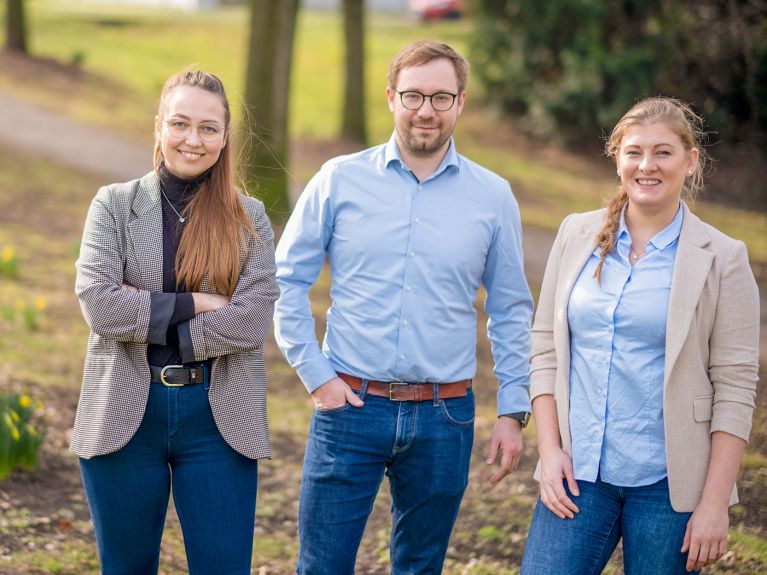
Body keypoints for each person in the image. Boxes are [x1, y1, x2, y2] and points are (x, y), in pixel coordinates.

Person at [274, 40, 533, 574]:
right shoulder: (338, 180)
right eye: (414, 95)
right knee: (321, 566)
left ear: (460, 103)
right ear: (391, 97)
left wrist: (513, 408)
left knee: (421, 567)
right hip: (348, 405)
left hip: (445, 415)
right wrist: (316, 375)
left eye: (441, 97)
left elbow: (510, 308)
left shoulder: (493, 196)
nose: (426, 111)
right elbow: (284, 282)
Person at [520, 97, 760, 575]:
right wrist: (549, 453)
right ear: (616, 157)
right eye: (634, 152)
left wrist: (713, 504)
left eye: (663, 152)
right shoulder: (575, 235)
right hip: (577, 474)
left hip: (668, 486)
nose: (646, 166)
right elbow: (545, 348)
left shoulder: (723, 257)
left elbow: (735, 390)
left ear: (691, 162)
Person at [71, 70, 279, 574]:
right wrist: (202, 303)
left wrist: (151, 314)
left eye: (209, 128)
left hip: (218, 417)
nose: (193, 139)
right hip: (123, 411)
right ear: (159, 125)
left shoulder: (249, 217)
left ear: (226, 137)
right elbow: (99, 303)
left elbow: (251, 321)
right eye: (181, 123)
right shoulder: (114, 205)